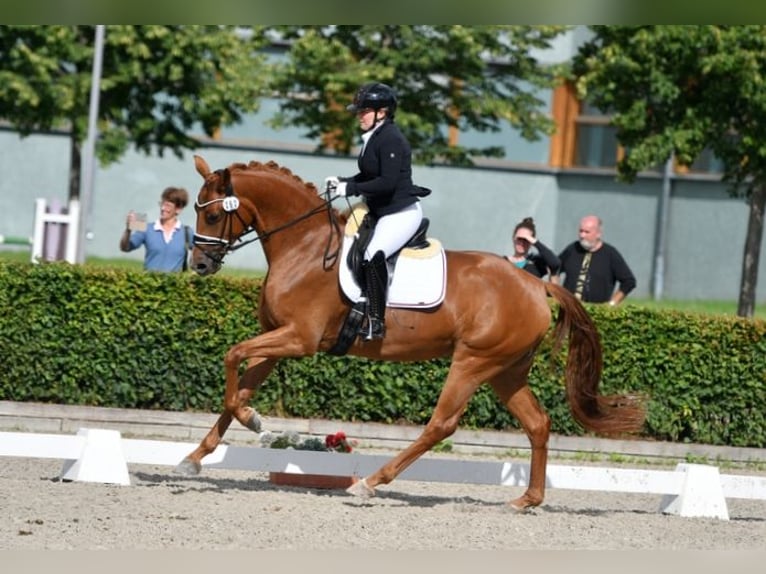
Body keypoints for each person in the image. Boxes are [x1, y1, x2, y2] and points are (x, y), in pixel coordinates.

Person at [324, 82, 430, 341]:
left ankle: (376, 321)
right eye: (359, 111)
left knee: (372, 255)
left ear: (381, 113)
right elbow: (369, 174)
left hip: (401, 212)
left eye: (364, 111)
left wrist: (350, 188)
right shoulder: (374, 136)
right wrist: (343, 181)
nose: (359, 116)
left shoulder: (391, 138)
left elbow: (387, 182)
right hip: (381, 210)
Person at [554, 214, 636, 305]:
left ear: (598, 234)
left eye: (586, 232)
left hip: (595, 311)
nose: (582, 235)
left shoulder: (610, 254)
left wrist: (611, 304)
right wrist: (557, 294)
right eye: (580, 231)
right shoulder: (572, 249)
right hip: (569, 308)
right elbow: (555, 267)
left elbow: (629, 282)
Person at [119, 186, 192, 273]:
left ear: (178, 209)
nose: (163, 208)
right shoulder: (147, 228)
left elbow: (202, 254)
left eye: (167, 205)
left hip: (175, 285)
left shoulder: (187, 232)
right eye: (162, 204)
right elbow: (125, 247)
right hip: (149, 283)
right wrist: (128, 230)